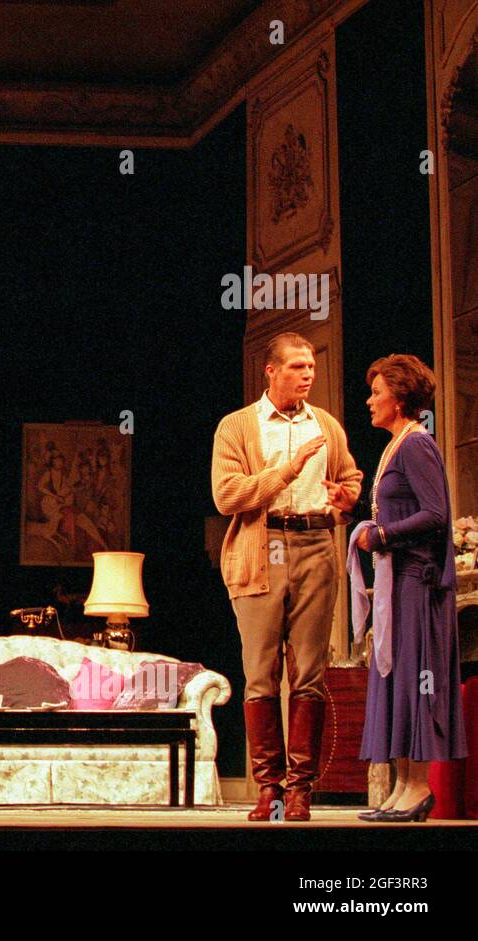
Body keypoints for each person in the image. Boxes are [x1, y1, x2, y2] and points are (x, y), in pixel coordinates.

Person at [211, 332, 363, 821]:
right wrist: (286, 471)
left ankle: (301, 790)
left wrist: (345, 499)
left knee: (310, 674)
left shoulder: (328, 426)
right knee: (261, 675)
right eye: (297, 366)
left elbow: (350, 477)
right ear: (270, 371)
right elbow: (227, 496)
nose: (308, 374)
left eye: (312, 366)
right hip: (263, 549)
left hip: (316, 545)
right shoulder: (237, 427)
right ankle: (269, 789)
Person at [351, 354, 467, 822]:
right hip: (396, 584)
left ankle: (418, 787)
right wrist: (358, 508)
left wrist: (382, 535)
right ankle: (402, 786)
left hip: (417, 586)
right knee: (396, 680)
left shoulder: (418, 444)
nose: (369, 400)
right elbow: (399, 506)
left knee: (417, 679)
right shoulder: (396, 445)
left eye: (376, 392)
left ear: (399, 398)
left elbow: (436, 514)